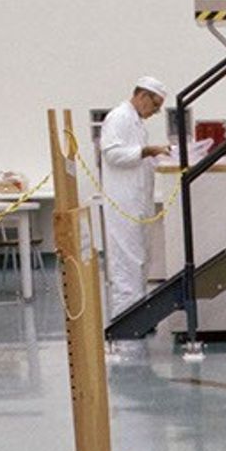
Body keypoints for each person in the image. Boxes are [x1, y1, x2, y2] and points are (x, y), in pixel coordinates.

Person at [98, 76, 169, 313]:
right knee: (126, 259)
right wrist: (147, 151)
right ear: (142, 96)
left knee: (139, 257)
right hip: (123, 202)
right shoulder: (119, 117)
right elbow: (113, 155)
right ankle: (125, 316)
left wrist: (157, 156)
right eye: (155, 105)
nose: (156, 112)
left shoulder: (135, 122)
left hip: (136, 200)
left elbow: (137, 158)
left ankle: (137, 311)